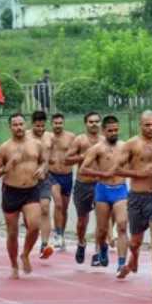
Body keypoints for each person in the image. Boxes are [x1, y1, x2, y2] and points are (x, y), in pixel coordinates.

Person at [116, 110, 152, 294]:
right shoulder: (132, 144)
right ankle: (134, 258)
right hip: (138, 199)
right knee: (135, 242)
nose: (151, 128)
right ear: (140, 125)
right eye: (147, 125)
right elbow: (117, 169)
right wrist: (140, 174)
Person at [0, 113, 47, 279]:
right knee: (12, 233)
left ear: (25, 124)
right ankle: (14, 265)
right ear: (10, 127)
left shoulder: (36, 144)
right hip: (11, 191)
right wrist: (4, 169)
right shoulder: (5, 148)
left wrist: (42, 169)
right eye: (15, 125)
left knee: (35, 225)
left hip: (31, 190)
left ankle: (25, 254)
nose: (19, 127)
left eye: (21, 124)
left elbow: (44, 161)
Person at [79, 115, 129, 276]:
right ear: (104, 131)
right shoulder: (97, 149)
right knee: (101, 231)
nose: (114, 133)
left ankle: (121, 263)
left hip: (120, 190)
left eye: (116, 130)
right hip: (102, 190)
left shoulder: (125, 146)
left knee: (122, 225)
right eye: (110, 130)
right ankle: (103, 247)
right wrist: (102, 174)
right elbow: (83, 169)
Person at [65, 111, 102, 264]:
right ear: (86, 124)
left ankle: (98, 252)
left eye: (97, 121)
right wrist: (82, 156)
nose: (94, 124)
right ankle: (81, 243)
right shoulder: (80, 140)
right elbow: (67, 159)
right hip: (83, 185)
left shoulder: (105, 141)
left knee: (102, 220)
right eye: (91, 122)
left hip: (100, 184)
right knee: (82, 221)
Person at [27, 111, 55, 259]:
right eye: (37, 126)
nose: (40, 129)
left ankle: (44, 244)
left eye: (43, 126)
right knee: (30, 216)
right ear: (32, 124)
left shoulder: (50, 137)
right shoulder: (26, 137)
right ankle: (30, 238)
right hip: (28, 180)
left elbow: (53, 156)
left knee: (45, 208)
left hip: (44, 179)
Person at [47, 113, 76, 250]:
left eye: (60, 123)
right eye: (55, 123)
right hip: (52, 175)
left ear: (63, 123)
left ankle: (61, 235)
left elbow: (78, 154)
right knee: (58, 204)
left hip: (67, 175)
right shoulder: (47, 137)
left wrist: (71, 160)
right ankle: (57, 234)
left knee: (64, 208)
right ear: (51, 124)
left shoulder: (71, 137)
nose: (58, 125)